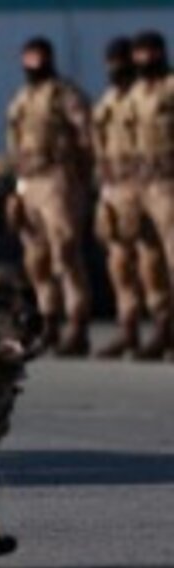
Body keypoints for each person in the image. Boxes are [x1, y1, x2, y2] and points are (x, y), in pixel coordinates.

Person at [6, 36, 95, 356]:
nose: (33, 63)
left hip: (58, 180)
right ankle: (49, 322)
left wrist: (81, 181)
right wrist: (17, 187)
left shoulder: (65, 94)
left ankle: (77, 323)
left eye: (38, 56)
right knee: (36, 258)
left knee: (65, 253)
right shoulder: (21, 98)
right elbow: (14, 143)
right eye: (28, 57)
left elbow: (88, 138)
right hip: (28, 181)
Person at [93, 37, 171, 359]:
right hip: (126, 186)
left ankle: (162, 327)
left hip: (164, 182)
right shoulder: (120, 99)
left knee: (162, 257)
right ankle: (135, 327)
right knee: (128, 260)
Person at [129, 30, 174, 360]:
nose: (143, 59)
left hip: (169, 183)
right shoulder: (135, 94)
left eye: (149, 52)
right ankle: (162, 325)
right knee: (149, 260)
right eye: (139, 53)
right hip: (139, 186)